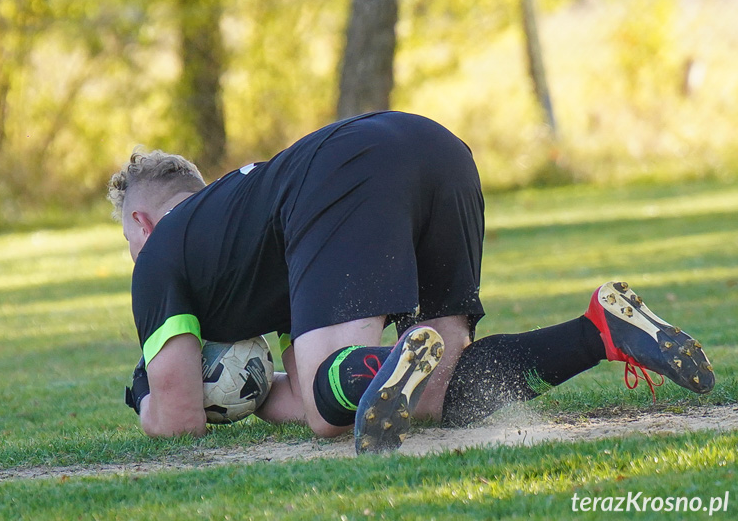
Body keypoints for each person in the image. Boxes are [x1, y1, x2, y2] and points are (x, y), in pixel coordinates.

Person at [108, 111, 715, 454]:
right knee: (436, 393)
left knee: (332, 402)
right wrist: (260, 391)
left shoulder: (161, 254)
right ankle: (601, 330)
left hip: (346, 173)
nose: (138, 256)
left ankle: (399, 356)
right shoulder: (238, 225)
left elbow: (180, 417)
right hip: (435, 147)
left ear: (141, 223)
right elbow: (313, 382)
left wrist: (143, 397)